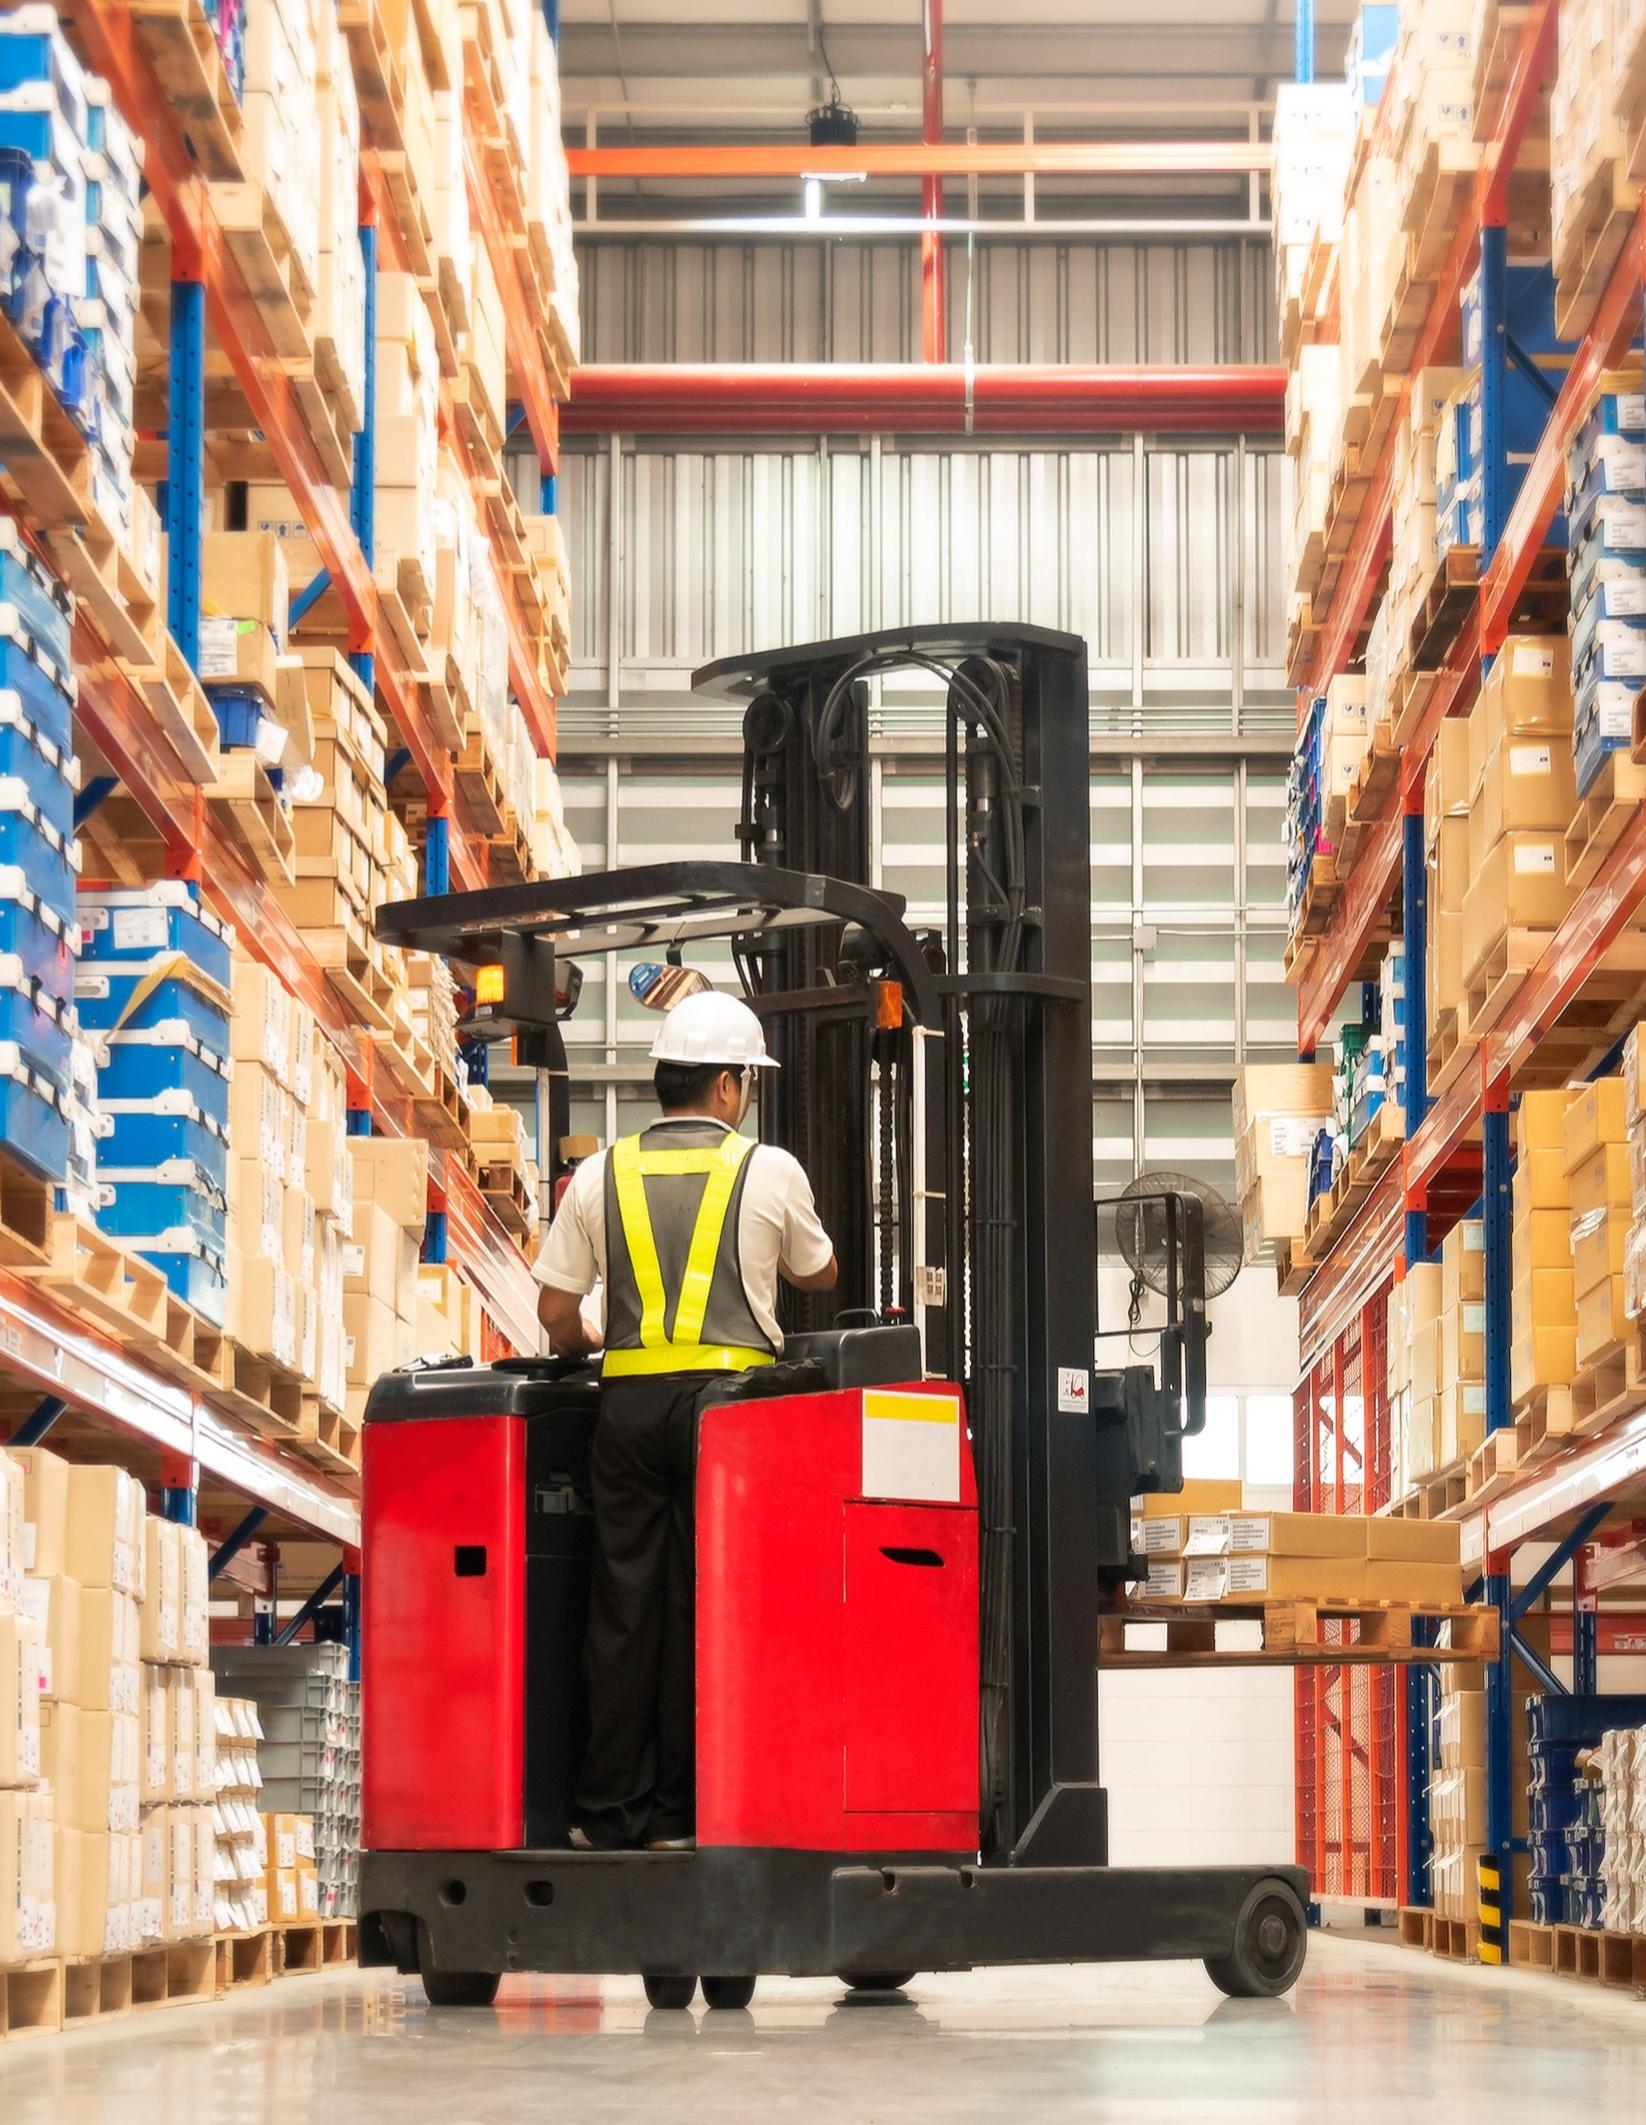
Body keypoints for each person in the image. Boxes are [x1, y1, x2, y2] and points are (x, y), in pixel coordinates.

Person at [535, 988, 838, 1850]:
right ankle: (694, 1811)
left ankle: (610, 1813)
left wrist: (589, 1337)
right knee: (714, 1606)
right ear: (729, 1088)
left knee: (624, 1607)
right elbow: (820, 1273)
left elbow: (557, 1309)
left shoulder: (599, 1174)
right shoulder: (768, 1168)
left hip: (625, 1412)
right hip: (731, 1420)